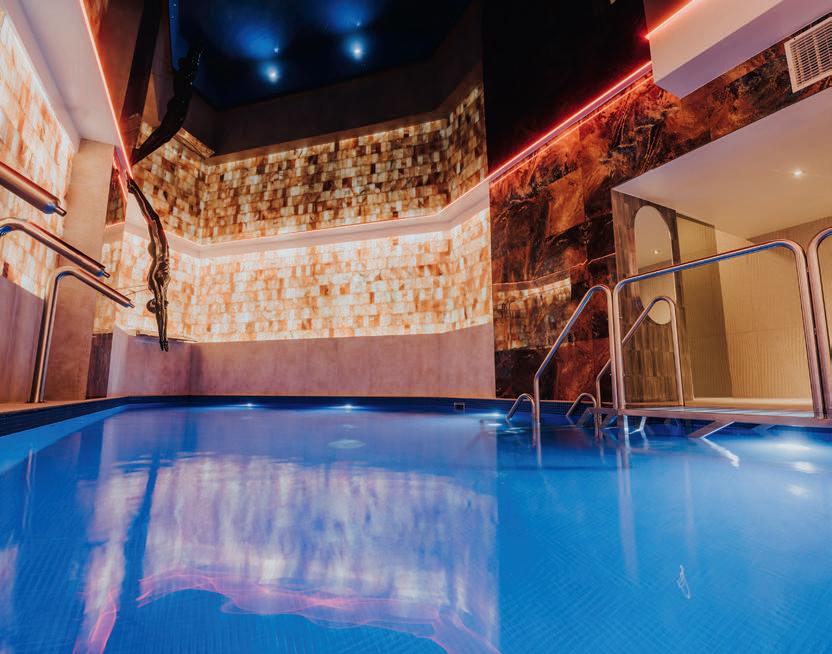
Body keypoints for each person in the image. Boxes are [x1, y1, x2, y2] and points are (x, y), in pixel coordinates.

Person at [127, 177, 170, 351]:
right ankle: (134, 188)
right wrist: (164, 337)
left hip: (160, 251)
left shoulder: (156, 286)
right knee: (153, 218)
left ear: (153, 301)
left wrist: (162, 338)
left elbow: (162, 312)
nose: (159, 306)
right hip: (163, 251)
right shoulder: (163, 290)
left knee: (151, 219)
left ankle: (134, 189)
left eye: (155, 305)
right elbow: (163, 311)